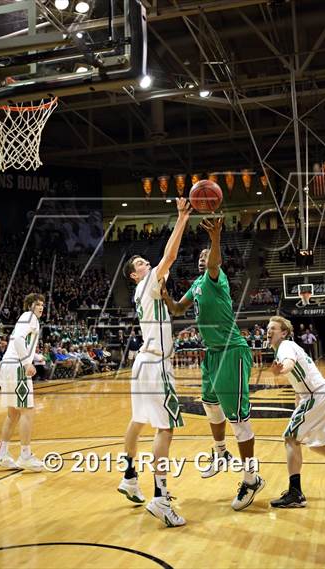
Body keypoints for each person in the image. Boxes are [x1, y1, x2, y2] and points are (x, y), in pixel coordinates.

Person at [162, 216, 265, 511]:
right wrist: (163, 293)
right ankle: (221, 453)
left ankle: (251, 478)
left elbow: (214, 262)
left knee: (239, 421)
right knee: (209, 403)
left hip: (232, 351)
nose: (202, 258)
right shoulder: (196, 284)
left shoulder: (215, 278)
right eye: (200, 255)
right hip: (211, 352)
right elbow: (178, 308)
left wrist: (216, 238)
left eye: (206, 255)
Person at [117, 198, 191, 528]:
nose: (150, 265)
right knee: (165, 427)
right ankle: (160, 497)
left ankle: (130, 476)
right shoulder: (146, 284)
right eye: (144, 264)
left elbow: (167, 266)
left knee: (137, 421)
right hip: (157, 364)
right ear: (136, 275)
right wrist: (181, 217)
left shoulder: (146, 291)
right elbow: (171, 255)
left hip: (142, 363)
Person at [267, 315, 325, 507]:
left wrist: (281, 369)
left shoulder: (285, 346)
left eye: (273, 329)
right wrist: (298, 408)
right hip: (323, 395)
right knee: (317, 444)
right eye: (268, 328)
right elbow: (297, 383)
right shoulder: (288, 347)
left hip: (316, 396)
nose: (269, 331)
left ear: (284, 333)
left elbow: (289, 363)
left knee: (291, 438)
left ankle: (296, 494)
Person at [0, 293, 45, 471]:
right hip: (17, 368)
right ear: (29, 305)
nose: (41, 307)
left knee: (13, 414)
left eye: (42, 304)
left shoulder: (25, 319)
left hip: (8, 366)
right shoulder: (30, 317)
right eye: (37, 304)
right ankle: (25, 455)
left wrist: (35, 356)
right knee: (27, 412)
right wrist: (26, 362)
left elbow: (17, 343)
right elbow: (19, 340)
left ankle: (2, 454)